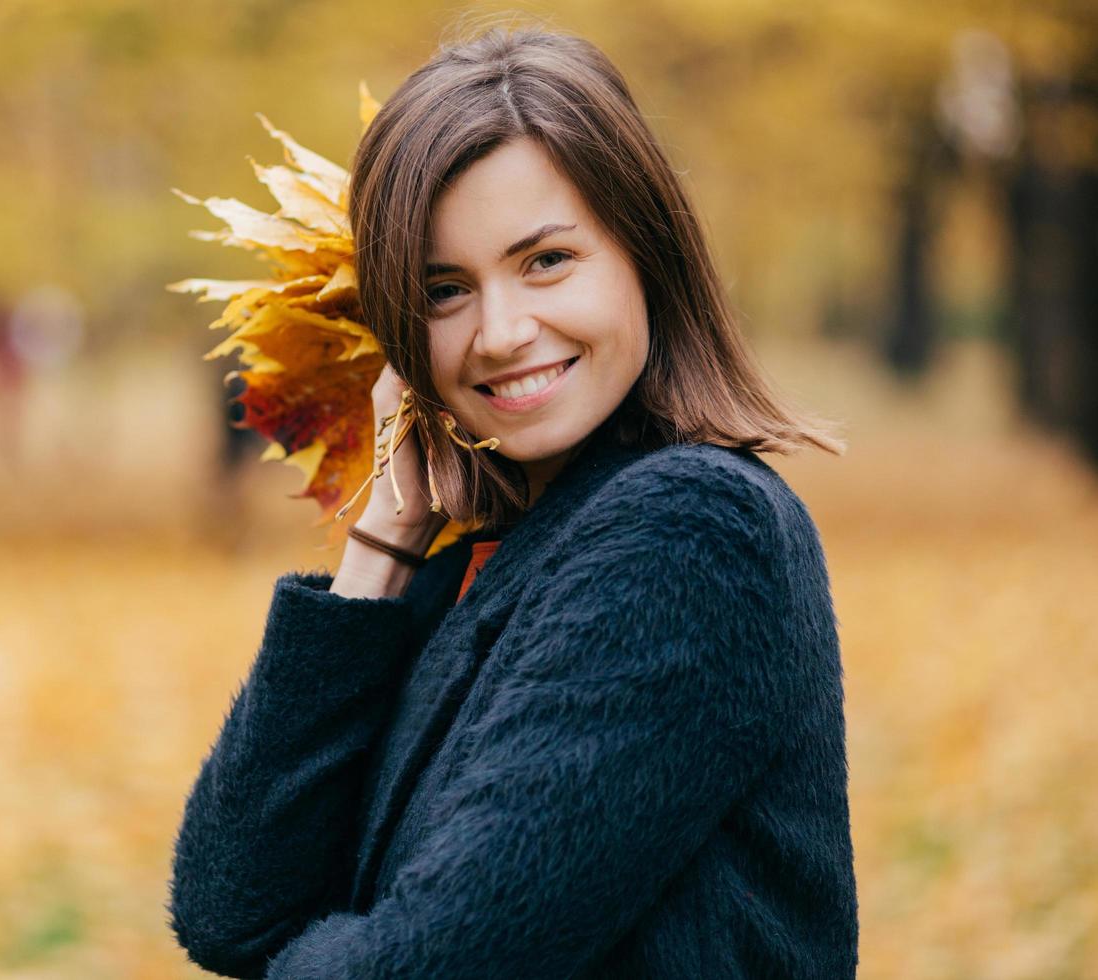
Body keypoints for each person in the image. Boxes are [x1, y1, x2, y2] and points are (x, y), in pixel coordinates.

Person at [168, 22, 857, 979]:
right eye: (444, 290)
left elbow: (430, 967)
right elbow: (227, 910)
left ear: (645, 252)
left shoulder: (695, 527)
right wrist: (384, 540)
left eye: (546, 261)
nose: (499, 333)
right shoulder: (471, 563)